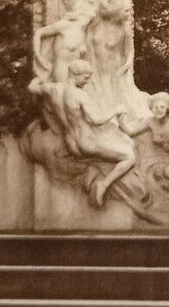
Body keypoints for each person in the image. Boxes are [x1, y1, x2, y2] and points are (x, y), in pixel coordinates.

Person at [38, 59, 137, 207]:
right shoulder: (80, 96)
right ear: (75, 75)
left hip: (71, 144)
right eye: (85, 77)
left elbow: (33, 87)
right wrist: (116, 109)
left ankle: (92, 169)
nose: (87, 82)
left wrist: (38, 81)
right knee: (129, 157)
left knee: (107, 146)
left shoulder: (54, 89)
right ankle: (103, 184)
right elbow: (96, 119)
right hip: (87, 143)